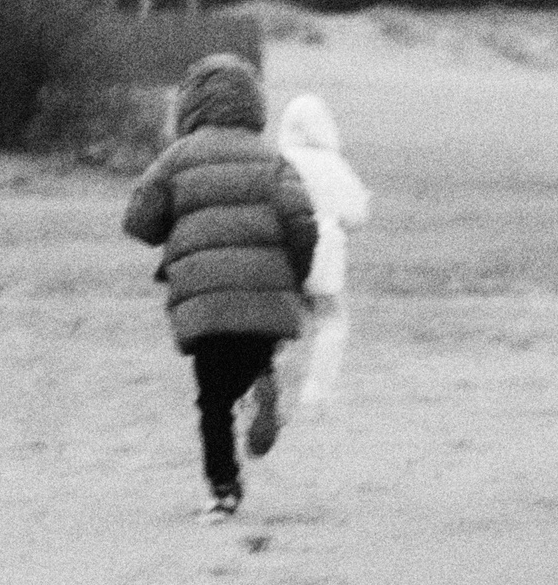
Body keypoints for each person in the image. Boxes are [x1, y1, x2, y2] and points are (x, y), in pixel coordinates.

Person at [122, 52, 318, 521]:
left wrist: (175, 222)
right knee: (251, 358)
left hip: (204, 298)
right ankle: (258, 382)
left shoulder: (176, 158)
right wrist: (295, 276)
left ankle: (224, 489)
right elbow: (302, 224)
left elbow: (138, 221)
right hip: (264, 295)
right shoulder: (272, 159)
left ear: (189, 104)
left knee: (212, 400)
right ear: (253, 102)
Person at [276, 93, 371, 408]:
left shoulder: (279, 161)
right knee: (331, 320)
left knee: (281, 323)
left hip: (283, 253)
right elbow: (357, 214)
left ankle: (272, 387)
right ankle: (316, 391)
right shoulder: (331, 164)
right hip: (323, 254)